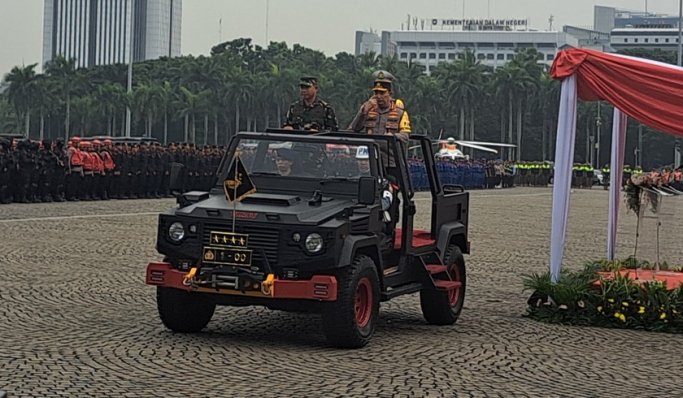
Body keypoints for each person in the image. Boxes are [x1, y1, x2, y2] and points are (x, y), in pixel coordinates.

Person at [348, 75, 412, 168]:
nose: (379, 96)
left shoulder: (400, 113)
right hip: (371, 161)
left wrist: (393, 136)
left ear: (390, 94)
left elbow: (405, 136)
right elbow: (353, 129)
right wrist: (364, 112)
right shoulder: (368, 110)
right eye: (376, 93)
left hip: (391, 162)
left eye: (382, 93)